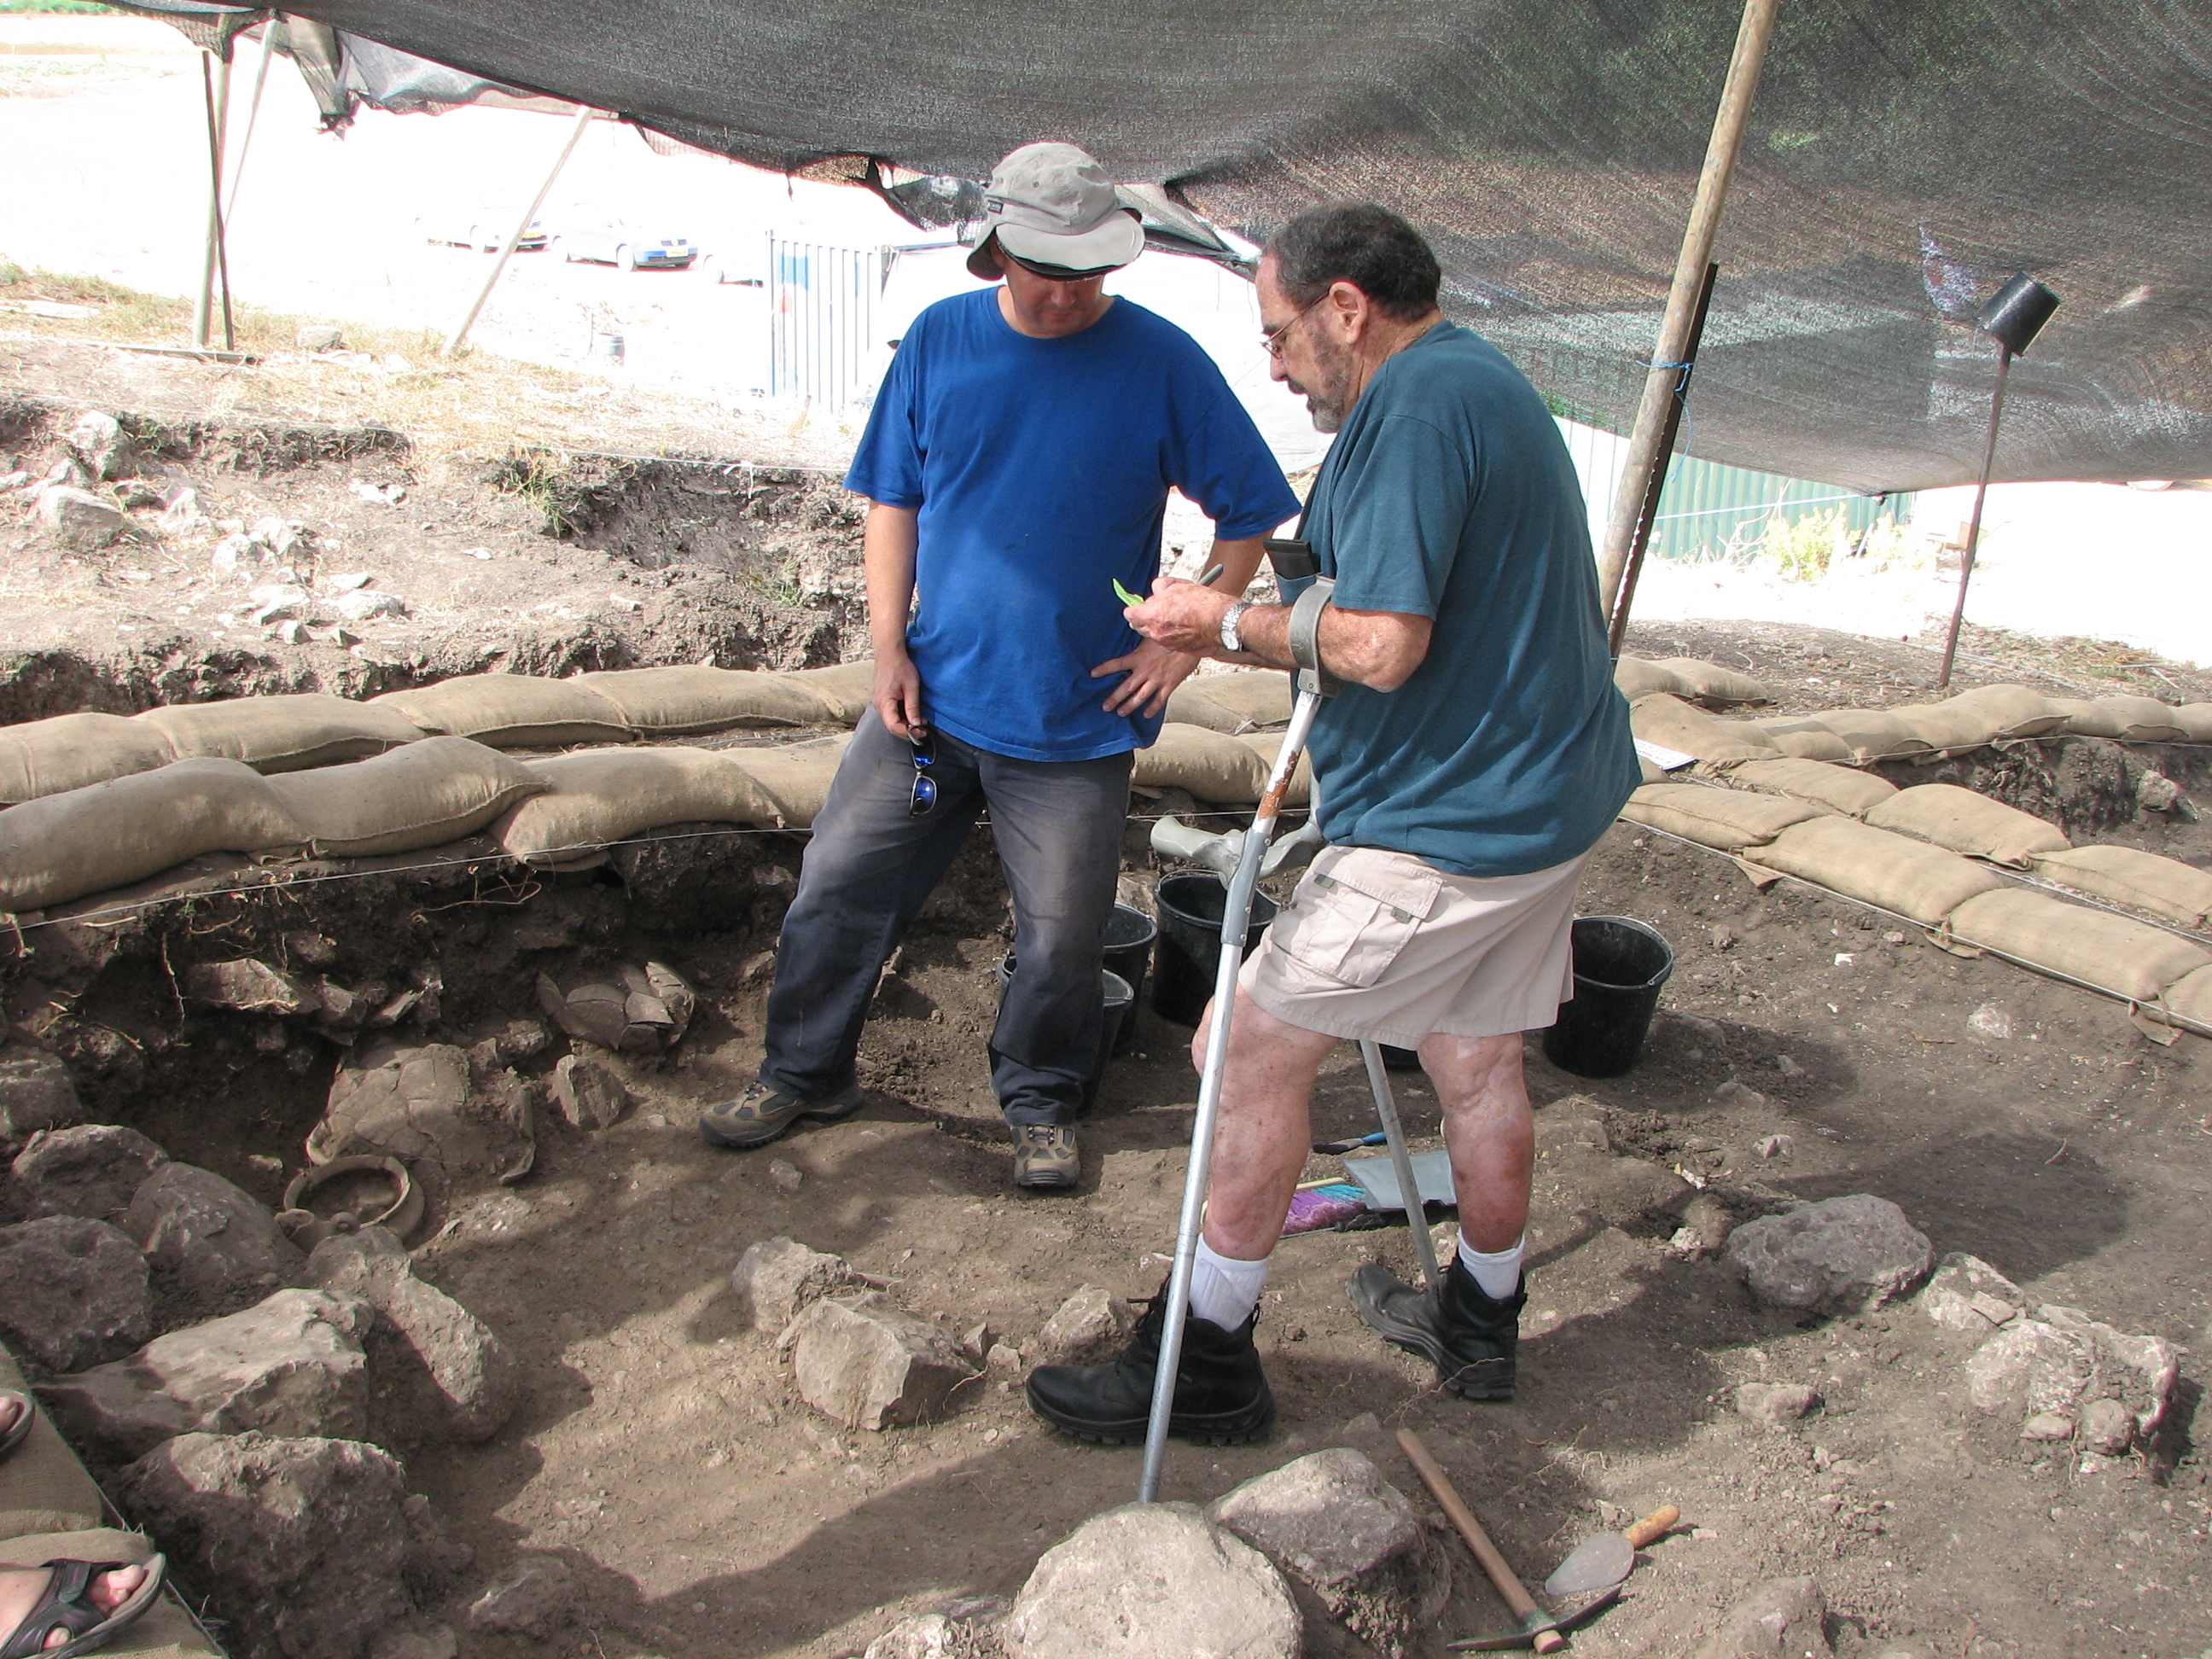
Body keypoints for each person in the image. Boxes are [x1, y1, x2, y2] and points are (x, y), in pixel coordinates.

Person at [1025, 203, 1639, 1443]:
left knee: (1237, 1056)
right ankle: (1481, 1317)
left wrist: (1227, 627)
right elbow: (1409, 581)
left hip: (1452, 827)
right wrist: (1287, 581)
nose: (1273, 361)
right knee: (1475, 1060)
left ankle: (1205, 1358)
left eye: (1278, 333)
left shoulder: (1416, 408)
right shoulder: (1468, 387)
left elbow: (1387, 644)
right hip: (1541, 803)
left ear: (1346, 308)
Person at [700, 142, 1299, 1191]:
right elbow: (896, 502)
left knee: (1065, 936)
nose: (1068, 294)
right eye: (1045, 269)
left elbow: (1250, 513)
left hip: (1072, 726)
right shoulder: (941, 342)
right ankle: (803, 1072)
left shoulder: (1159, 363)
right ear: (995, 252)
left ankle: (1039, 1097)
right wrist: (889, 648)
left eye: (1088, 273)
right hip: (930, 712)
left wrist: (1182, 640)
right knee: (840, 886)